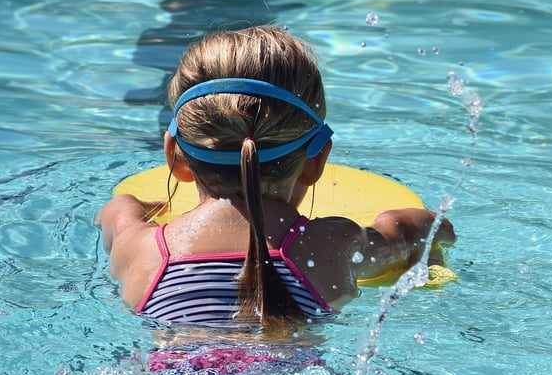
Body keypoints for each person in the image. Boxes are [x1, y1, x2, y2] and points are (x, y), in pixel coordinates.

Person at [97, 26, 456, 339]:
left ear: (175, 157)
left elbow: (116, 212)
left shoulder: (141, 250)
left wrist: (134, 206)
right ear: (316, 160)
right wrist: (431, 228)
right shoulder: (330, 244)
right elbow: (414, 230)